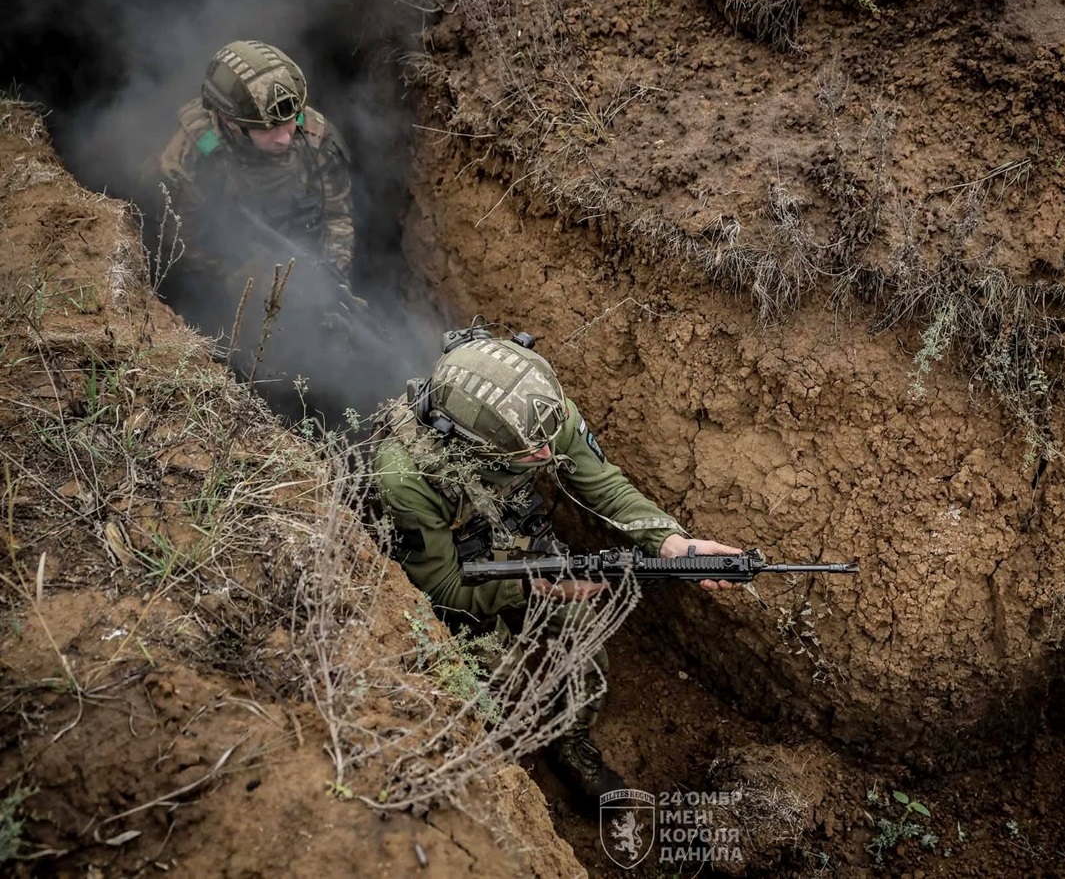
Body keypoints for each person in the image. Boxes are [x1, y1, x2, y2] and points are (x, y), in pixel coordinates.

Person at [373, 321, 741, 805]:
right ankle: (515, 755)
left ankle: (572, 742)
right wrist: (533, 589)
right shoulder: (405, 476)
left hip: (512, 530)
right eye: (531, 453)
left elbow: (603, 485)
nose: (549, 452)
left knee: (583, 631)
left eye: (550, 438)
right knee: (497, 679)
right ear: (469, 445)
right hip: (450, 568)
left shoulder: (537, 412)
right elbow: (439, 588)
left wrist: (670, 541)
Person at [154, 39, 355, 288]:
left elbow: (336, 217)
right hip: (227, 266)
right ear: (230, 121)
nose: (284, 138)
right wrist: (239, 276)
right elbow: (179, 241)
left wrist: (332, 276)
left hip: (299, 257)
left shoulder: (318, 140)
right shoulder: (192, 155)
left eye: (290, 121)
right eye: (268, 128)